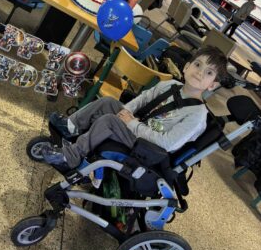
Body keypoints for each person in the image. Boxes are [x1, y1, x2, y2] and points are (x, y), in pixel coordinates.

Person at [40, 46, 228, 171]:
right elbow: (143, 99)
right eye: (197, 64)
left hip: (149, 149)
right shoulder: (169, 85)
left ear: (212, 85)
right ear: (186, 67)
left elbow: (168, 144)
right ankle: (70, 126)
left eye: (209, 72)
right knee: (108, 103)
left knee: (109, 121)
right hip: (137, 127)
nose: (200, 72)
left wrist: (132, 124)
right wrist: (126, 111)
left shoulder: (197, 115)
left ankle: (72, 157)